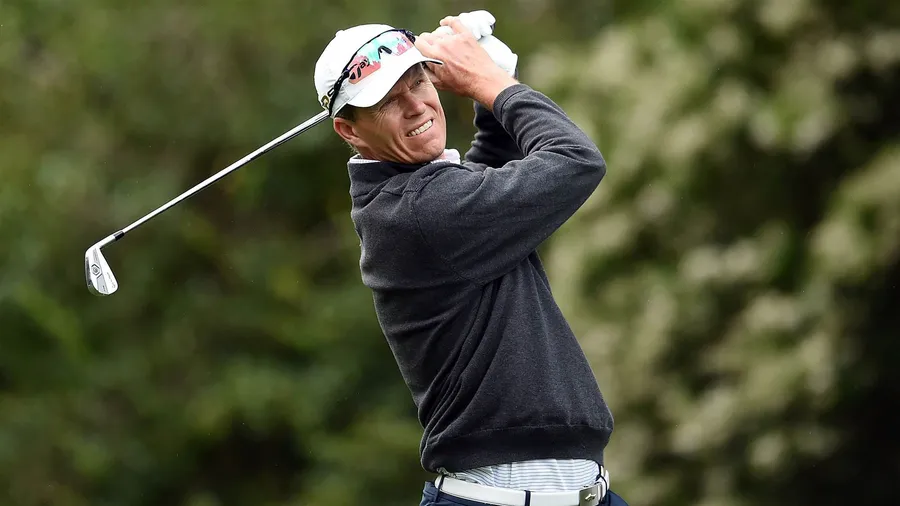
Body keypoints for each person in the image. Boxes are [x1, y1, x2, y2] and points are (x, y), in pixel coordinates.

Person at [313, 13, 628, 506]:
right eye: (388, 100)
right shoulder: (421, 212)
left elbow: (488, 173)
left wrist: (493, 91)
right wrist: (492, 83)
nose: (415, 106)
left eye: (418, 81)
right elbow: (575, 160)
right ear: (348, 130)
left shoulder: (413, 202)